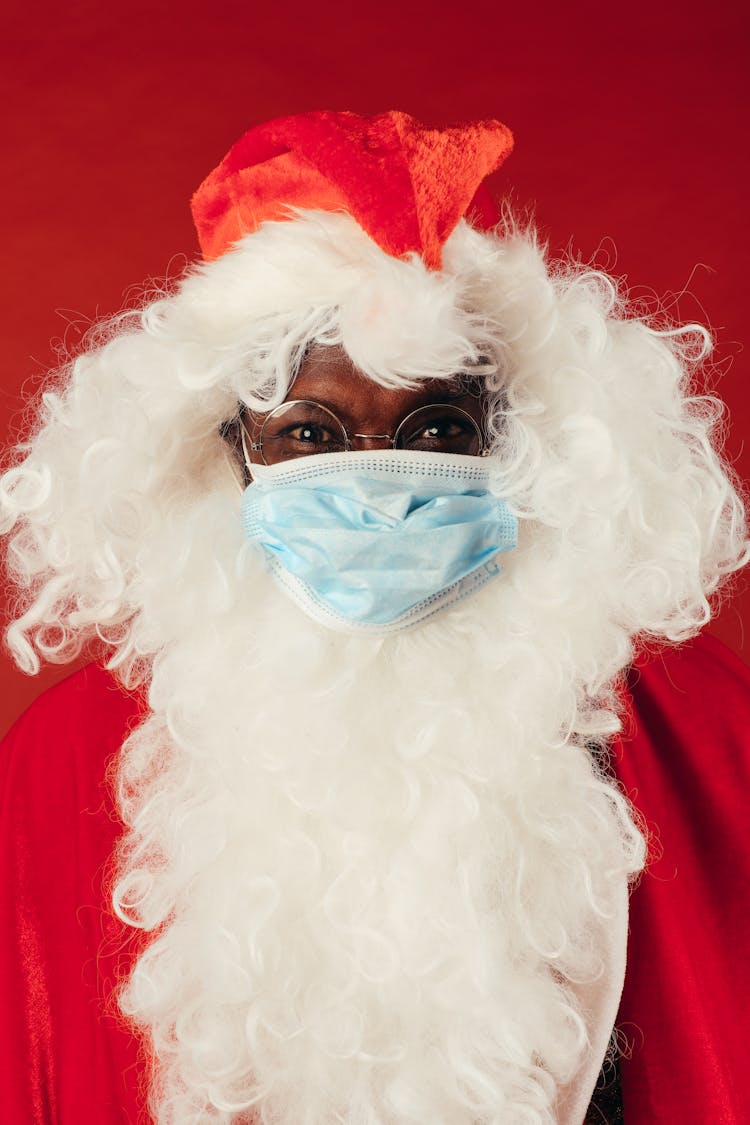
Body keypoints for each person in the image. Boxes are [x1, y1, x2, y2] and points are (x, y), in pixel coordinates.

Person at [0, 109, 748, 1125]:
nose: (379, 484)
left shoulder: (709, 737)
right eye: (310, 431)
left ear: (518, 439)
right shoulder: (58, 764)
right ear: (226, 452)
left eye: (436, 426)